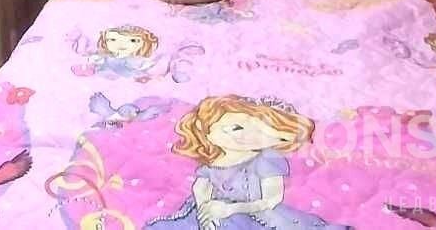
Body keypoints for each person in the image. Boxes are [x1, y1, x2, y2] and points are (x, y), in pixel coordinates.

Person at [147, 95, 345, 229]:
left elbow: (272, 199)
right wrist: (205, 210)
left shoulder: (266, 159)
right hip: (211, 211)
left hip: (254, 213)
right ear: (204, 129)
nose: (247, 137)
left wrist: (230, 209)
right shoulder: (213, 161)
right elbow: (201, 188)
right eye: (235, 128)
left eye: (265, 133)